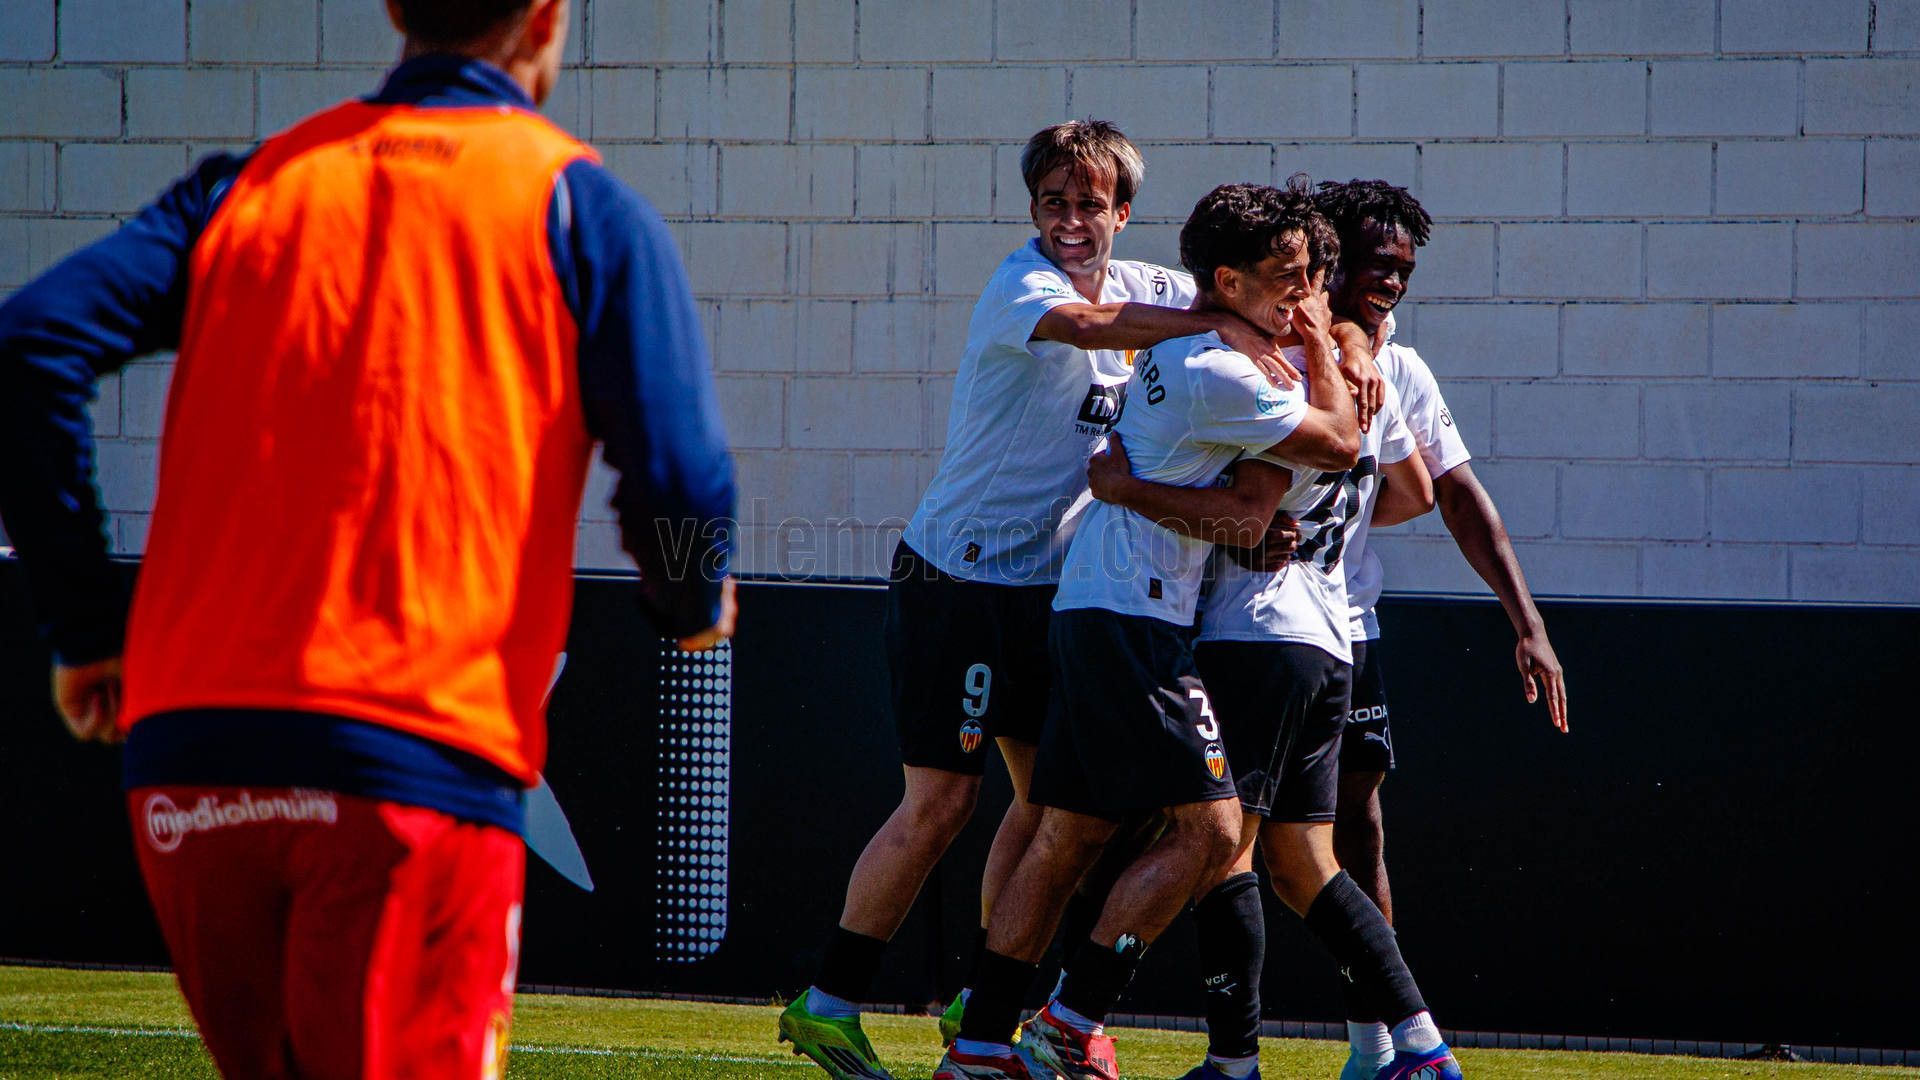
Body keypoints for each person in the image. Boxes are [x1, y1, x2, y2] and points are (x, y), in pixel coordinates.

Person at [0, 0, 735, 1076]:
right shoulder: (577, 204)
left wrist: (83, 629)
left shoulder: (252, 186)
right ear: (547, 15)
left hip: (191, 769)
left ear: (394, 9)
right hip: (408, 762)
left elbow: (29, 348)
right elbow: (683, 477)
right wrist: (687, 601)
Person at [777, 119, 1314, 1080]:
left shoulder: (1155, 286)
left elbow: (1224, 312)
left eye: (1091, 204)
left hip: (1050, 592)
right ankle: (832, 996)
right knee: (941, 804)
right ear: (1033, 211)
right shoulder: (1019, 284)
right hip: (963, 581)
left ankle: (989, 1015)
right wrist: (1230, 327)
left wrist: (1277, 336)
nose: (1072, 221)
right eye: (1054, 203)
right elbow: (1091, 327)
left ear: (1123, 211)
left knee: (1047, 813)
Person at [935, 180, 1362, 1080]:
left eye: (1304, 276)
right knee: (1209, 834)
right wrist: (1326, 340)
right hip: (1133, 619)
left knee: (1069, 834)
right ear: (1227, 279)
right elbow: (1340, 445)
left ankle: (979, 1047)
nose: (1299, 289)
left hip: (1097, 607)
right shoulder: (1219, 369)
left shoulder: (1211, 351)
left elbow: (1244, 514)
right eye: (1283, 276)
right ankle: (1071, 1012)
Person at [1309, 179, 1570, 1079]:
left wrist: (1527, 622)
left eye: (1405, 270)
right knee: (1208, 836)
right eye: (1377, 264)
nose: (1392, 283)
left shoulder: (1402, 369)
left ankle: (1375, 1046)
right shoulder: (1267, 346)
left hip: (1346, 631)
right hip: (1234, 627)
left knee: (1356, 831)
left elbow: (1450, 493)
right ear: (1329, 257)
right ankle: (1057, 1010)